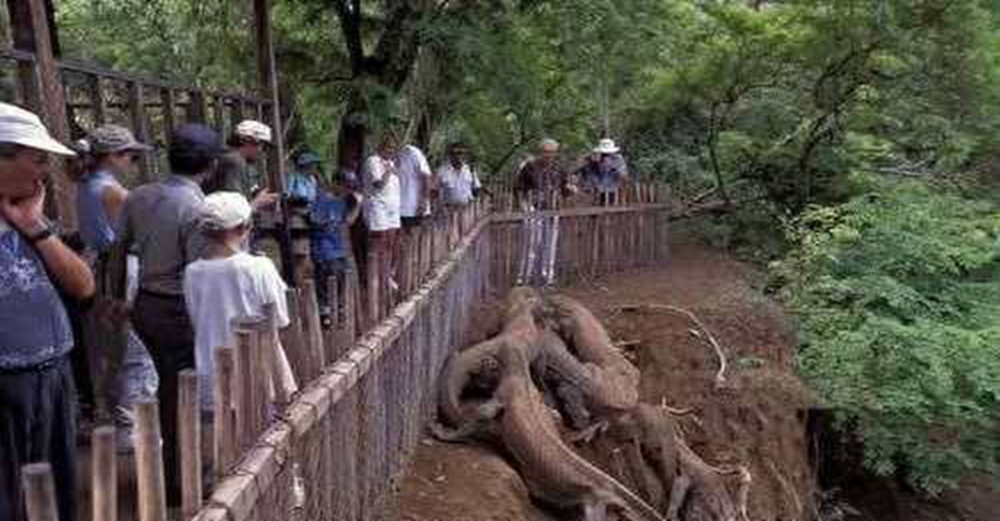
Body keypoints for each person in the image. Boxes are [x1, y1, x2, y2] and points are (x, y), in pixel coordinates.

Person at [117, 123, 222, 505]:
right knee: (184, 393)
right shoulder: (197, 207)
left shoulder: (138, 196)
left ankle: (169, 470)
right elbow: (195, 272)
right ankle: (179, 482)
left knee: (165, 388)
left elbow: (118, 250)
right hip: (178, 308)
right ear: (210, 166)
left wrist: (116, 297)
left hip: (144, 304)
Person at [0, 102, 95, 521]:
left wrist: (35, 227)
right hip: (5, 385)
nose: (43, 172)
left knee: (55, 497)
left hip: (53, 374)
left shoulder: (30, 218)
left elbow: (83, 286)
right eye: (36, 160)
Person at [76, 125, 159, 450]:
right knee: (135, 352)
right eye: (129, 155)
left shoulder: (85, 184)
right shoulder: (112, 191)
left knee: (108, 349)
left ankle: (116, 419)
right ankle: (132, 428)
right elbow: (133, 237)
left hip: (95, 267)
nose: (132, 161)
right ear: (111, 156)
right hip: (118, 270)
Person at [183, 192, 297, 413]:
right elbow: (280, 320)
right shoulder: (259, 267)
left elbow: (195, 320)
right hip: (259, 373)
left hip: (211, 374)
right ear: (243, 227)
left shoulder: (191, 272)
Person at [514, 137, 575, 286]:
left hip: (552, 209)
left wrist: (570, 190)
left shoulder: (559, 169)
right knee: (532, 244)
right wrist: (524, 206)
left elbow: (564, 189)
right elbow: (518, 188)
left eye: (552, 152)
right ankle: (524, 277)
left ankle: (547, 277)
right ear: (540, 152)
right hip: (533, 208)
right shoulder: (529, 167)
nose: (549, 155)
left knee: (550, 245)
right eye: (546, 152)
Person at [309, 172, 362, 326]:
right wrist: (328, 222)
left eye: (350, 187)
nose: (348, 190)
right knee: (326, 279)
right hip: (323, 247)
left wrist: (357, 206)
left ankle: (337, 310)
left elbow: (348, 222)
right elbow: (316, 222)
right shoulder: (323, 198)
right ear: (336, 183)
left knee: (341, 278)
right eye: (346, 186)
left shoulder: (343, 201)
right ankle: (324, 313)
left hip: (339, 248)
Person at [203, 119, 277, 210]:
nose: (262, 152)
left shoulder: (227, 157)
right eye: (262, 146)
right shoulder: (234, 161)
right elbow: (233, 211)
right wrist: (257, 203)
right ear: (246, 141)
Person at [362, 132, 402, 298]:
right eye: (388, 147)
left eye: (393, 148)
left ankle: (387, 276)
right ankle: (375, 278)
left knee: (391, 243)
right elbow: (378, 184)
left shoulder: (390, 163)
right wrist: (389, 171)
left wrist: (392, 169)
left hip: (392, 209)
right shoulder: (373, 161)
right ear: (381, 147)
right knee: (379, 242)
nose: (391, 151)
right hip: (377, 207)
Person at [576, 138, 628, 206]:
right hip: (595, 188)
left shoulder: (618, 159)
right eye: (604, 154)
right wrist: (590, 161)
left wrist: (612, 167)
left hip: (612, 187)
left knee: (610, 204)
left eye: (607, 154)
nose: (605, 155)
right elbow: (580, 169)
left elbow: (623, 174)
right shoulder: (592, 160)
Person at [395, 142, 432, 228]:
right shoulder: (394, 154)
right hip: (399, 207)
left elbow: (427, 176)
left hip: (414, 207)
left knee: (415, 236)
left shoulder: (413, 152)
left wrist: (424, 201)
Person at [436, 141, 482, 208]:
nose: (457, 156)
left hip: (467, 209)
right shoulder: (441, 171)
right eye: (453, 153)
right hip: (448, 210)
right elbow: (434, 191)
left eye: (460, 153)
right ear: (449, 155)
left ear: (465, 155)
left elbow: (477, 188)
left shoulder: (470, 170)